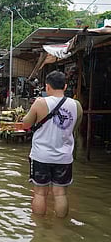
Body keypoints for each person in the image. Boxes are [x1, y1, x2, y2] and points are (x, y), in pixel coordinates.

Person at [23, 71, 83, 218]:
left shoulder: (40, 103)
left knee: (40, 193)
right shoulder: (76, 105)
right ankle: (60, 228)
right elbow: (73, 129)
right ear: (65, 86)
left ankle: (39, 229)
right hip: (64, 157)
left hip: (41, 156)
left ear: (47, 87)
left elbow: (26, 124)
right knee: (60, 193)